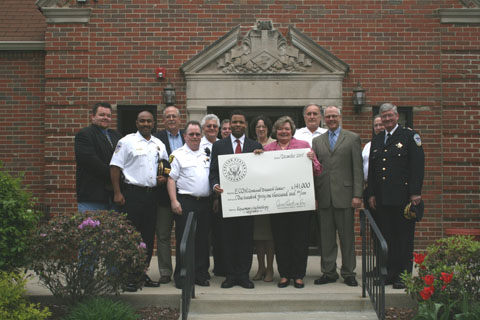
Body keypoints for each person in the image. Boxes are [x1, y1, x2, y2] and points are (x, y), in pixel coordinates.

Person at [367, 103, 425, 289]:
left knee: (404, 238)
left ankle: (403, 275)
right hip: (383, 199)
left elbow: (417, 166)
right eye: (383, 116)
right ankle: (388, 274)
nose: (387, 119)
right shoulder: (377, 140)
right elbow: (374, 172)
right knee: (387, 237)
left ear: (397, 116)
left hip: (403, 198)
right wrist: (372, 194)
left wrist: (415, 193)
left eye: (390, 115)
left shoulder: (409, 136)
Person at [261, 116, 322, 289]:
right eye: (280, 129)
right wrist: (257, 156)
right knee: (281, 240)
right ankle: (285, 274)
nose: (283, 131)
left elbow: (317, 170)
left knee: (300, 239)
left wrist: (311, 159)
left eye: (287, 129)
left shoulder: (303, 146)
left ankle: (298, 274)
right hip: (277, 203)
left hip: (300, 202)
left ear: (292, 130)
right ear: (276, 131)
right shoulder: (268, 148)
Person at [110, 111, 168, 291]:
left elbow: (166, 166)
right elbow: (114, 167)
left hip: (151, 196)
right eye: (142, 120)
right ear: (136, 122)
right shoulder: (126, 142)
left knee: (148, 238)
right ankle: (127, 276)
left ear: (153, 123)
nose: (145, 124)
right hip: (131, 195)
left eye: (149, 121)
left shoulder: (159, 144)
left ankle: (141, 274)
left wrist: (164, 178)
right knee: (130, 237)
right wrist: (117, 193)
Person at [209, 110, 262, 289]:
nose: (237, 125)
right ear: (229, 125)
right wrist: (215, 186)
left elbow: (261, 171)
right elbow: (214, 172)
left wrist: (260, 157)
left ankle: (244, 275)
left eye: (241, 122)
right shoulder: (219, 146)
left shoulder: (255, 145)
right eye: (234, 122)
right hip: (227, 201)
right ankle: (231, 275)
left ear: (245, 124)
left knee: (246, 240)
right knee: (229, 239)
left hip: (248, 202)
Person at [312, 106, 363, 287]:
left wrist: (357, 194)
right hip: (324, 195)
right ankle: (329, 272)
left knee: (347, 237)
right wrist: (315, 196)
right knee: (326, 239)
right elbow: (315, 170)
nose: (331, 119)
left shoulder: (352, 138)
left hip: (345, 195)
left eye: (334, 116)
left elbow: (357, 169)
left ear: (340, 117)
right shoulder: (317, 141)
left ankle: (349, 272)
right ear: (324, 119)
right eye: (328, 116)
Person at [167, 121, 212, 289]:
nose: (194, 137)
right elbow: (171, 179)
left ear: (201, 136)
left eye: (197, 134)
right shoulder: (177, 154)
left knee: (202, 241)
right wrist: (173, 201)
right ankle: (182, 276)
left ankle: (200, 274)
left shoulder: (208, 153)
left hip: (205, 203)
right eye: (191, 134)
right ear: (184, 136)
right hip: (186, 202)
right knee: (185, 240)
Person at [153, 106, 184, 284]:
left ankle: (184, 269)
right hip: (162, 196)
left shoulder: (189, 137)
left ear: (180, 119)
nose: (171, 119)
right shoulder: (156, 139)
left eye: (174, 116)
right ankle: (165, 271)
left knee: (184, 235)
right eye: (168, 116)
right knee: (163, 234)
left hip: (184, 193)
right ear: (164, 120)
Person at [74, 102, 122, 213]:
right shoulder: (84, 135)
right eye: (102, 115)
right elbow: (91, 162)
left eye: (108, 116)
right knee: (91, 229)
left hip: (114, 197)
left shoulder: (117, 136)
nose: (105, 118)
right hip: (92, 196)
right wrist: (116, 176)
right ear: (93, 117)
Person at [250, 115, 275, 282]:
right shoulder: (250, 146)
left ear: (268, 128)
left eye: (264, 126)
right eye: (258, 126)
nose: (261, 129)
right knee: (258, 236)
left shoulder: (275, 144)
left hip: (273, 197)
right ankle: (260, 268)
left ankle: (271, 269)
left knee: (270, 236)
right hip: (256, 198)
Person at [362, 115, 385, 182]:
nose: (378, 127)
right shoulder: (368, 145)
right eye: (376, 125)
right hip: (368, 184)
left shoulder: (389, 144)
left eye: (381, 125)